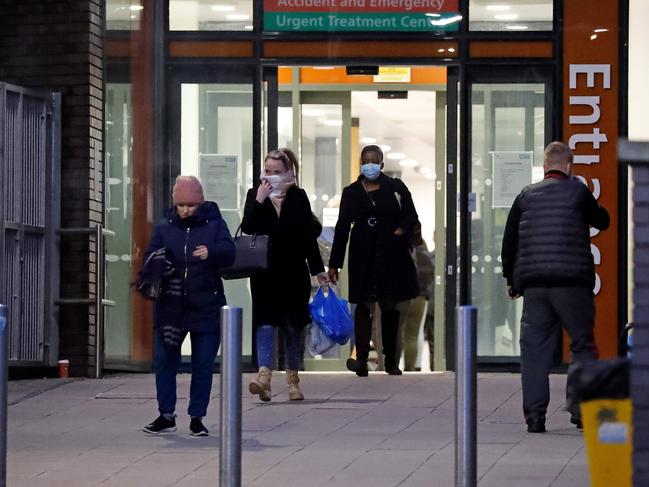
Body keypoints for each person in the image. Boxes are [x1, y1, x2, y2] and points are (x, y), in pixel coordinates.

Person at [501, 141, 610, 433]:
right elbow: (603, 221)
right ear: (569, 165)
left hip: (535, 285)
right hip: (572, 284)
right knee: (582, 345)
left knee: (534, 350)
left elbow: (510, 240)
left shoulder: (526, 195)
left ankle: (535, 417)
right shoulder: (578, 191)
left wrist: (512, 279)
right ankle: (581, 411)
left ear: (545, 165)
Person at [142, 175, 236, 436]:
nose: (185, 210)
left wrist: (211, 252)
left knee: (203, 363)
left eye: (190, 205)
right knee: (165, 361)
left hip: (206, 303)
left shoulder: (214, 224)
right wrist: (159, 262)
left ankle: (197, 416)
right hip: (171, 306)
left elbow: (230, 253)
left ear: (200, 203)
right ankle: (166, 414)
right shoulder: (164, 227)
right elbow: (149, 256)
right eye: (181, 205)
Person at [242, 149, 328, 402]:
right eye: (268, 171)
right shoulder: (255, 194)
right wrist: (259, 200)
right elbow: (247, 227)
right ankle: (264, 378)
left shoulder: (298, 198)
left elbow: (307, 238)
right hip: (265, 273)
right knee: (266, 323)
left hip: (293, 272)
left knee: (293, 326)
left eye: (277, 172)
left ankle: (293, 380)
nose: (271, 176)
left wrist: (318, 270)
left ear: (288, 172)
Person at [328, 144, 419, 376]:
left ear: (381, 164)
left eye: (373, 161)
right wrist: (335, 263)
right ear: (361, 163)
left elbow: (411, 216)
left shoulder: (395, 188)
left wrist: (399, 232)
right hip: (362, 257)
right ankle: (361, 360)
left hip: (391, 257)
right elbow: (341, 229)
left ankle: (390, 360)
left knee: (389, 308)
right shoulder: (351, 192)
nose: (369, 165)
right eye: (365, 160)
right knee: (363, 306)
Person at [396, 243, 435, 371]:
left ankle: (393, 365)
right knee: (412, 336)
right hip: (420, 298)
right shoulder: (424, 256)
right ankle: (410, 368)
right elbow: (431, 276)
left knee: (397, 332)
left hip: (401, 297)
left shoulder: (399, 253)